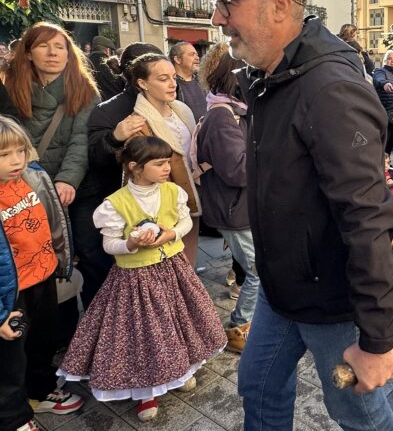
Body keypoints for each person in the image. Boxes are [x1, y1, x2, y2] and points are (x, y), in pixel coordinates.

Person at [196, 0, 393, 430]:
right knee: (259, 387)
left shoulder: (328, 87)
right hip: (280, 286)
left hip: (328, 297)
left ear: (281, 3)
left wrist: (376, 339)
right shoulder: (269, 76)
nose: (217, 17)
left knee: (359, 413)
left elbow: (367, 215)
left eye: (228, 2)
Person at [57, 136, 226, 422]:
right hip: (135, 279)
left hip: (173, 270)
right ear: (135, 167)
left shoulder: (173, 191)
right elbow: (109, 244)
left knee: (180, 321)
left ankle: (181, 368)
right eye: (159, 164)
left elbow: (184, 221)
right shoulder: (115, 204)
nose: (166, 169)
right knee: (145, 334)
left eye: (167, 163)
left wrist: (172, 233)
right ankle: (147, 390)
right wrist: (132, 244)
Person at [5, 23, 102, 318]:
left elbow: (80, 141)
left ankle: (96, 322)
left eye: (60, 47)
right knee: (38, 256)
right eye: (44, 46)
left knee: (88, 252)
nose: (53, 53)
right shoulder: (9, 88)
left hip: (76, 185)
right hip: (25, 187)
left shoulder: (83, 89)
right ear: (29, 53)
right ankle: (57, 327)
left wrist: (66, 180)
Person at [0, 116, 84, 431]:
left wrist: (63, 257)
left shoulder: (31, 178)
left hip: (43, 279)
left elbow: (53, 221)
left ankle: (40, 390)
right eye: (4, 155)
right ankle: (15, 419)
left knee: (42, 342)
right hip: (10, 293)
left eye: (20, 151)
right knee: (10, 361)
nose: (16, 160)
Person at [83, 43, 164, 305]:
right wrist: (115, 137)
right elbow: (95, 156)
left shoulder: (173, 104)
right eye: (161, 76)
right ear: (139, 78)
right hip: (119, 200)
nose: (171, 82)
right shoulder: (109, 110)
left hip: (162, 199)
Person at [194, 43, 257, 353]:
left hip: (239, 207)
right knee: (257, 271)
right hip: (234, 209)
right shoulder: (222, 117)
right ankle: (238, 327)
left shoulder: (232, 111)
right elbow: (239, 171)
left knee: (258, 269)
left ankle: (247, 321)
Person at [127, 54, 202, 266]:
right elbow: (138, 173)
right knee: (166, 267)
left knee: (189, 264)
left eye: (173, 78)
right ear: (143, 83)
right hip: (161, 207)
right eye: (162, 79)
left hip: (190, 199)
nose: (172, 84)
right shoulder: (137, 124)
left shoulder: (182, 110)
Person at [372, 50, 393, 156]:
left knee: (390, 142)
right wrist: (385, 83)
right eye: (390, 58)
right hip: (386, 112)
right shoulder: (380, 71)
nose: (392, 61)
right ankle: (382, 162)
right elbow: (379, 79)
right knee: (384, 142)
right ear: (385, 60)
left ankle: (386, 161)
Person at [169, 42, 206, 122]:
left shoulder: (202, 81)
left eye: (197, 54)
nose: (197, 58)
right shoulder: (171, 86)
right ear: (178, 59)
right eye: (192, 54)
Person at [86, 35, 124, 101]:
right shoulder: (103, 62)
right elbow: (113, 85)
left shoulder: (86, 60)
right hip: (107, 103)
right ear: (107, 50)